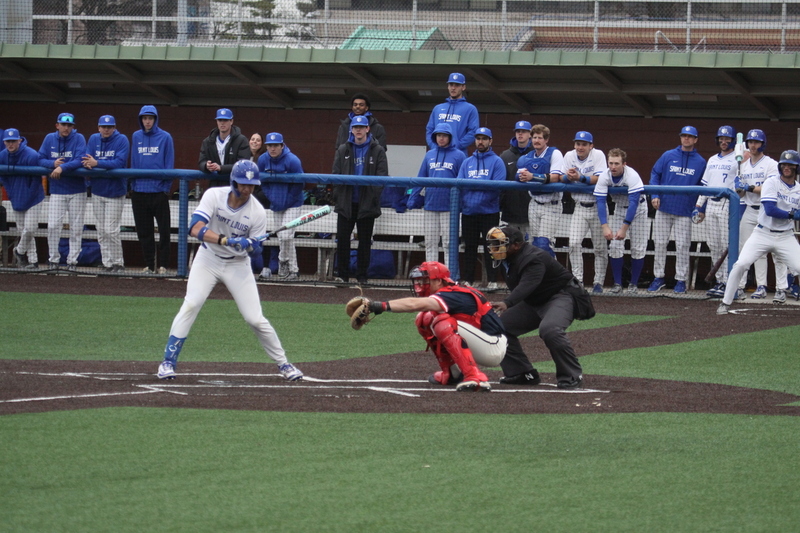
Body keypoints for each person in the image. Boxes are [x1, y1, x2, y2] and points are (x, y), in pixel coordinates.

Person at [157, 160, 304, 381]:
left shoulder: (257, 212)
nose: (246, 189)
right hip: (208, 258)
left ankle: (284, 364)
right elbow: (194, 228)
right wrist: (226, 240)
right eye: (243, 184)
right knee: (192, 304)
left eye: (251, 185)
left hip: (237, 265)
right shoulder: (213, 196)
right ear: (233, 181)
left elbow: (256, 253)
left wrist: (251, 246)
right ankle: (168, 362)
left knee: (255, 318)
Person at [357, 261, 504, 392]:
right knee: (424, 318)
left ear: (439, 281)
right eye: (418, 281)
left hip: (492, 345)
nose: (420, 286)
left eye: (425, 281)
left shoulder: (453, 294)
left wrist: (380, 306)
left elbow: (413, 304)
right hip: (482, 341)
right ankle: (453, 373)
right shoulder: (449, 292)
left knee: (441, 322)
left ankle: (475, 377)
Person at [487, 225, 585, 389]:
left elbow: (528, 284)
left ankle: (572, 375)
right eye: (493, 243)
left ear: (517, 245)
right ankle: (522, 373)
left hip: (560, 296)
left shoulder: (534, 257)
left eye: (500, 243)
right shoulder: (506, 259)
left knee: (550, 330)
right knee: (497, 326)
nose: (494, 248)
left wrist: (507, 302)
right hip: (535, 301)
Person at [717, 150, 800, 314]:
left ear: (797, 168)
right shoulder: (771, 182)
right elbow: (770, 210)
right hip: (763, 233)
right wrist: (792, 214)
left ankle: (782, 289)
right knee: (741, 264)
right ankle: (725, 303)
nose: (787, 167)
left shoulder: (799, 189)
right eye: (784, 164)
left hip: (785, 235)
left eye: (791, 165)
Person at [647, 125, 707, 293]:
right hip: (664, 207)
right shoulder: (668, 155)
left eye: (690, 136)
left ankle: (681, 280)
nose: (686, 138)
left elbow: (704, 185)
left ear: (695, 140)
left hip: (685, 211)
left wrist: (700, 208)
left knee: (682, 245)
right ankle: (658, 278)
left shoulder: (701, 161)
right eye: (684, 136)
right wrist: (655, 195)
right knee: (659, 243)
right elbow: (655, 174)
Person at [331, 115, 387, 284]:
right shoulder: (343, 149)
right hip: (346, 204)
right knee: (343, 241)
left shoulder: (378, 150)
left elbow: (382, 176)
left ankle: (362, 276)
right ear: (352, 129)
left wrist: (372, 198)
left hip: (366, 204)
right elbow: (335, 175)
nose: (358, 130)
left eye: (361, 127)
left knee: (364, 242)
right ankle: (342, 276)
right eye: (356, 127)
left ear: (367, 129)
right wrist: (339, 198)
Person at [734, 129, 786, 302]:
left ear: (762, 144)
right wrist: (739, 188)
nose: (753, 145)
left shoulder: (771, 164)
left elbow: (770, 189)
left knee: (773, 252)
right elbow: (741, 195)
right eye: (750, 142)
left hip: (768, 211)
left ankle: (768, 287)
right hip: (749, 209)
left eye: (756, 142)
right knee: (744, 249)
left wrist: (748, 187)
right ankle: (740, 286)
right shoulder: (743, 165)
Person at [407, 122, 465, 267]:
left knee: (448, 243)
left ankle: (449, 275)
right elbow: (421, 178)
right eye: (439, 135)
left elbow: (464, 182)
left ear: (450, 137)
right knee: (430, 242)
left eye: (444, 135)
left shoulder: (459, 155)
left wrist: (462, 203)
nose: (441, 138)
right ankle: (431, 274)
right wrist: (412, 197)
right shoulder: (429, 155)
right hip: (430, 205)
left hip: (450, 207)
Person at [691, 126, 738, 298]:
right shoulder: (711, 159)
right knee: (713, 244)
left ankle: (729, 281)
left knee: (728, 244)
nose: (724, 142)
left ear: (733, 140)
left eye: (727, 139)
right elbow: (705, 185)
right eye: (721, 138)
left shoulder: (738, 158)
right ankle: (720, 281)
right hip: (711, 203)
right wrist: (699, 206)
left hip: (727, 204)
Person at [37, 112, 87, 272]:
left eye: (69, 125)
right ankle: (53, 260)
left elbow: (81, 159)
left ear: (73, 127)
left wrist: (61, 167)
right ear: (57, 125)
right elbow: (39, 159)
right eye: (63, 125)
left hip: (77, 190)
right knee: (53, 226)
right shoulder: (49, 138)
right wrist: (52, 163)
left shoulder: (79, 138)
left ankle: (72, 262)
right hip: (57, 190)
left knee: (76, 228)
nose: (66, 128)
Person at [457, 127, 505, 289]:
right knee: (469, 247)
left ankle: (492, 281)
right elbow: (459, 186)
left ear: (490, 141)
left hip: (489, 212)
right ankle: (468, 280)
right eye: (478, 138)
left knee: (491, 246)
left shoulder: (497, 161)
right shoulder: (466, 162)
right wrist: (471, 199)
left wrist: (475, 195)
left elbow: (496, 188)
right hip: (469, 213)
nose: (480, 141)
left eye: (484, 138)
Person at [594, 148, 648, 293]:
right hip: (619, 208)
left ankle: (633, 284)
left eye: (616, 163)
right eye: (610, 163)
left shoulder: (632, 175)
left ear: (624, 164)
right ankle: (617, 284)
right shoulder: (605, 176)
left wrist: (624, 229)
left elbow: (634, 203)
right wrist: (605, 226)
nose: (613, 167)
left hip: (638, 210)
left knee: (638, 248)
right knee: (615, 247)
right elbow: (600, 201)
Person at [560, 131, 608, 293]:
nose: (580, 147)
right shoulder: (569, 155)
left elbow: (601, 179)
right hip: (579, 206)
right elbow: (561, 178)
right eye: (578, 144)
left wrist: (581, 178)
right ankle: (578, 280)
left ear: (590, 145)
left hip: (597, 206)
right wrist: (568, 177)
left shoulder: (598, 155)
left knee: (600, 247)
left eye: (584, 144)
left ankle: (598, 282)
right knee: (573, 243)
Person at [130, 105, 175, 274]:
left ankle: (163, 265)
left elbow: (169, 163)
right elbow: (134, 161)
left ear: (155, 119)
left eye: (150, 118)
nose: (147, 121)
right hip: (139, 192)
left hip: (158, 193)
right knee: (144, 232)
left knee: (164, 230)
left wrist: (165, 188)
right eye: (144, 118)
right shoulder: (136, 136)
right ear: (141, 119)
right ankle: (149, 265)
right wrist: (133, 186)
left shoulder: (165, 137)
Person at [82, 115, 130, 272]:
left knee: (111, 230)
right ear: (99, 127)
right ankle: (107, 263)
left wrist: (97, 163)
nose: (106, 129)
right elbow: (86, 160)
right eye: (103, 127)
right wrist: (95, 164)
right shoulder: (94, 139)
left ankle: (118, 263)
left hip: (115, 191)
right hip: (97, 190)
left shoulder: (122, 140)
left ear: (114, 127)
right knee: (101, 230)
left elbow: (119, 162)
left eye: (109, 127)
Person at [257, 132, 304, 281]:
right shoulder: (263, 159)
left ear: (282, 145)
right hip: (276, 203)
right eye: (270, 145)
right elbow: (263, 183)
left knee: (285, 235)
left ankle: (283, 260)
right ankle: (294, 271)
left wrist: (286, 201)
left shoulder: (292, 160)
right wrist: (273, 198)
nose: (272, 148)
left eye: (276, 145)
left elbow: (299, 184)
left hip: (293, 203)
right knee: (285, 237)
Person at [516, 124, 564, 256]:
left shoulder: (554, 153)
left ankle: (555, 275)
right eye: (534, 137)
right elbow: (518, 175)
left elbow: (555, 177)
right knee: (535, 245)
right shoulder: (528, 156)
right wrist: (522, 176)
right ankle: (541, 275)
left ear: (546, 140)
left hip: (551, 203)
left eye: (540, 138)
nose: (536, 140)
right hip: (534, 203)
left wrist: (533, 176)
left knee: (544, 244)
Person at [0, 128, 44, 269]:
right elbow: (3, 178)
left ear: (19, 140)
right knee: (23, 231)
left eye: (13, 141)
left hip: (33, 198)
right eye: (8, 142)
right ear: (4, 142)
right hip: (16, 197)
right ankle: (33, 261)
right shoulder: (2, 156)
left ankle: (18, 251)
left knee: (30, 229)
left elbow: (36, 180)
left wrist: (27, 197)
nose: (11, 144)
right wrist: (12, 193)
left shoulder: (31, 154)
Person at [425, 72, 479, 155]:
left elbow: (473, 132)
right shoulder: (438, 108)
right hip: (437, 154)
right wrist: (434, 147)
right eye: (451, 85)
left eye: (457, 85)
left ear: (463, 87)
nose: (453, 88)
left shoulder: (470, 109)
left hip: (458, 154)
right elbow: (430, 130)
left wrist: (456, 146)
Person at [197, 108, 250, 188]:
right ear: (217, 122)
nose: (222, 123)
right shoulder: (208, 141)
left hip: (234, 185)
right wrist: (206, 166)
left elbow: (243, 164)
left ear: (231, 121)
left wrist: (221, 168)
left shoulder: (241, 140)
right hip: (215, 185)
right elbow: (201, 162)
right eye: (220, 120)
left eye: (225, 120)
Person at [499, 120, 535, 237]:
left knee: (531, 245)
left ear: (530, 134)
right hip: (511, 209)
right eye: (518, 131)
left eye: (524, 132)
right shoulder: (505, 155)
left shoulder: (536, 153)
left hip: (530, 208)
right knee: (511, 245)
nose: (520, 134)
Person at [247, 132, 274, 280]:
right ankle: (245, 267)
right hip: (245, 204)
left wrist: (255, 197)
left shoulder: (264, 159)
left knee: (265, 236)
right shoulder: (242, 156)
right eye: (252, 139)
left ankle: (266, 268)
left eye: (258, 140)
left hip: (262, 203)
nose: (255, 142)